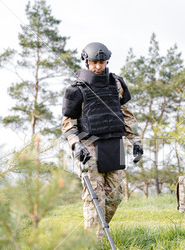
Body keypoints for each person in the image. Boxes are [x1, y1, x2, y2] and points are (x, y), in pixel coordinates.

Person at [61, 42, 143, 239]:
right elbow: (68, 122)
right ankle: (93, 244)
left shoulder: (116, 84)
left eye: (102, 62)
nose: (98, 66)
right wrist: (75, 144)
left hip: (114, 143)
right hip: (88, 146)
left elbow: (127, 115)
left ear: (107, 61)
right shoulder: (76, 90)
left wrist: (137, 141)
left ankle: (97, 232)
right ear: (86, 62)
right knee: (94, 197)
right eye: (94, 62)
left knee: (115, 196)